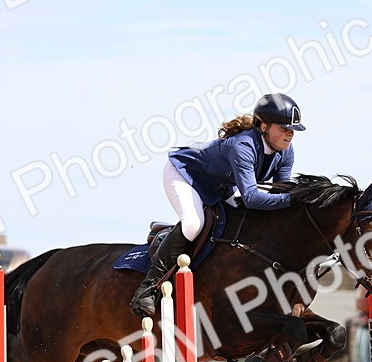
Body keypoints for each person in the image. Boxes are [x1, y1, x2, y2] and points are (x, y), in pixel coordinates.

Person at [129, 93, 306, 317]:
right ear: (263, 126)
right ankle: (148, 287)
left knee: (239, 222)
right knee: (194, 224)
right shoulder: (243, 146)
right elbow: (252, 197)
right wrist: (294, 199)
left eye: (293, 129)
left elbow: (282, 192)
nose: (290, 133)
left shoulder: (286, 152)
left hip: (220, 185)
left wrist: (297, 202)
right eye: (283, 128)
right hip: (185, 175)